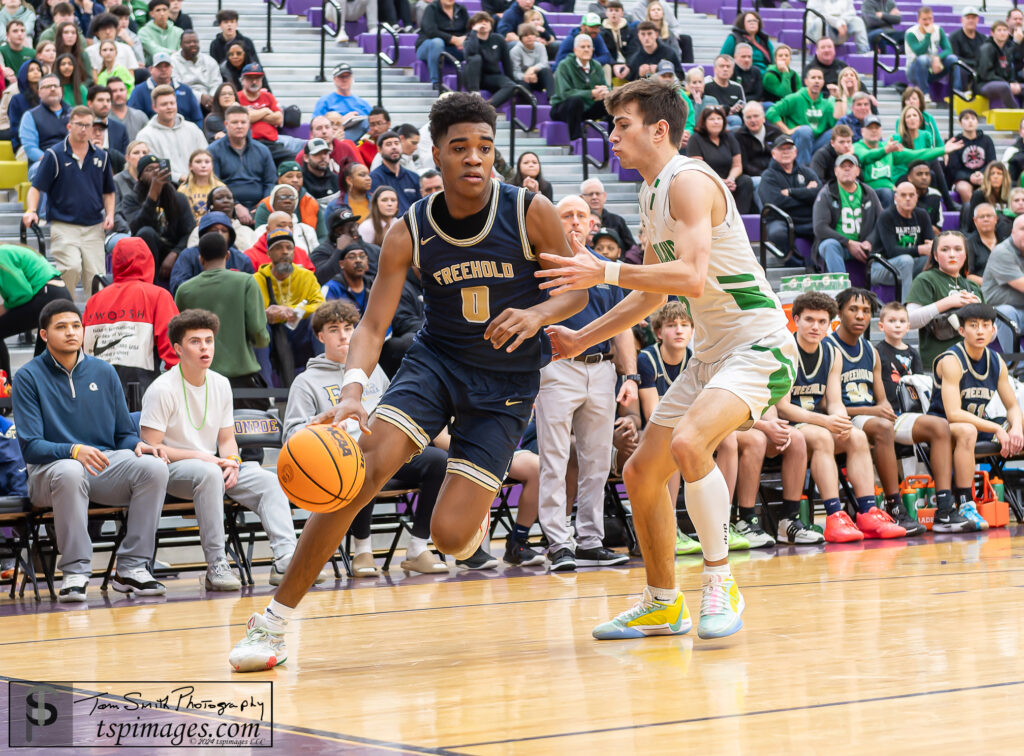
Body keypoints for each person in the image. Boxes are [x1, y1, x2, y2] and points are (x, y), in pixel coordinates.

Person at [228, 92, 587, 671]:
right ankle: (272, 623)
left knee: (447, 536)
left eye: (485, 148)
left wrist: (539, 314)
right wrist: (350, 392)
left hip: (506, 386)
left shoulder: (529, 209)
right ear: (437, 158)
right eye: (460, 148)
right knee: (359, 474)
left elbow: (577, 288)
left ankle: (462, 533)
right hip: (436, 363)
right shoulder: (408, 229)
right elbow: (372, 325)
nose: (475, 158)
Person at [537, 78, 799, 641]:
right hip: (711, 354)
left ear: (659, 129)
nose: (611, 136)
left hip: (759, 344)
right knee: (641, 471)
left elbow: (690, 277)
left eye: (621, 124)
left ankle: (721, 578)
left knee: (688, 444)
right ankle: (662, 601)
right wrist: (583, 340)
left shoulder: (689, 182)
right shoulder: (651, 193)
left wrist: (603, 270)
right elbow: (654, 296)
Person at [139, 307, 308, 591]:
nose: (205, 347)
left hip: (214, 467)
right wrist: (204, 458)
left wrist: (231, 460)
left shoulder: (220, 383)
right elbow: (151, 447)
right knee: (208, 473)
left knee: (268, 480)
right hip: (172, 471)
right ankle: (217, 564)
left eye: (209, 340)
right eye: (195, 341)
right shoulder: (161, 389)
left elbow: (227, 438)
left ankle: (285, 559)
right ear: (178, 349)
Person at [13, 299, 169, 602]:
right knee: (70, 470)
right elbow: (31, 447)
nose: (71, 333)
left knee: (154, 467)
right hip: (50, 472)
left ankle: (132, 568)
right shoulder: (28, 377)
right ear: (44, 335)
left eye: (76, 326)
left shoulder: (104, 371)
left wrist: (139, 446)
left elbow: (123, 434)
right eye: (61, 327)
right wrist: (73, 450)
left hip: (103, 465)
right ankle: (75, 571)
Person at [286, 300, 450, 575]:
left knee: (439, 461)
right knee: (362, 462)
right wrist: (324, 430)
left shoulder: (373, 372)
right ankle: (362, 550)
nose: (343, 335)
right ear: (320, 336)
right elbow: (292, 433)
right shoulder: (305, 381)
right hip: (339, 459)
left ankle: (418, 548)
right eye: (334, 329)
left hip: (383, 449)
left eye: (349, 328)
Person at [537, 195, 635, 572]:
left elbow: (622, 324)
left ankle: (591, 541)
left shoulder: (607, 268)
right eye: (567, 215)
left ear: (592, 224)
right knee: (555, 458)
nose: (576, 221)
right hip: (557, 367)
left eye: (582, 215)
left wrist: (629, 374)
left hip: (603, 368)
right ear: (554, 221)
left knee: (597, 460)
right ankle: (558, 542)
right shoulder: (541, 265)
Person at [831, 287, 955, 535]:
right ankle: (894, 507)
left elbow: (881, 399)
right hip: (846, 418)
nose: (860, 316)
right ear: (839, 312)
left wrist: (885, 408)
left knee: (939, 425)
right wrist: (875, 409)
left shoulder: (870, 351)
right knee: (882, 426)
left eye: (865, 311)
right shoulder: (828, 347)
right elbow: (826, 405)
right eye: (853, 309)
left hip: (874, 414)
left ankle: (944, 508)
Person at [775, 292, 878, 543]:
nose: (815, 326)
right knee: (822, 436)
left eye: (822, 322)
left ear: (830, 324)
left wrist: (841, 420)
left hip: (813, 422)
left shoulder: (832, 354)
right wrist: (826, 422)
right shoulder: (784, 351)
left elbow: (834, 402)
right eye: (809, 320)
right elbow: (783, 407)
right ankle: (834, 516)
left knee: (856, 436)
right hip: (785, 426)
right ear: (795, 320)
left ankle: (869, 512)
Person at [929, 302, 1024, 531]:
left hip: (977, 423)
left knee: (1017, 425)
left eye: (985, 325)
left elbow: (1012, 405)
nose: (980, 331)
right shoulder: (951, 360)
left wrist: (1016, 429)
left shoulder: (996, 361)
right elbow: (953, 414)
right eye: (973, 325)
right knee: (967, 430)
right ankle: (965, 503)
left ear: (993, 331)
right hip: (943, 426)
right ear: (962, 331)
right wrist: (996, 429)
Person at [23, 105, 114, 293]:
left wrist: (110, 214)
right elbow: (36, 188)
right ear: (69, 126)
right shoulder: (54, 154)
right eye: (79, 124)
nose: (83, 129)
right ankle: (64, 312)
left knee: (96, 278)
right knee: (70, 268)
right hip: (64, 225)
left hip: (94, 226)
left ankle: (92, 321)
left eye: (88, 125)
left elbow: (109, 192)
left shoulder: (102, 156)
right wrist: (32, 211)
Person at [174, 232, 269, 403]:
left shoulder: (184, 290)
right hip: (242, 380)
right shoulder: (247, 282)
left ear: (200, 259)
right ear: (228, 255)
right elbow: (259, 332)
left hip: (200, 380)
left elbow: (177, 336)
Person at [82, 236, 178, 400]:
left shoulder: (94, 300)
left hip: (95, 391)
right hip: (141, 394)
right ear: (149, 261)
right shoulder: (158, 295)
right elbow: (174, 348)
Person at [0, 244, 71, 379]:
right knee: (42, 358)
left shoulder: (1, 256)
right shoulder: (7, 250)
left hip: (47, 295)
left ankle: (4, 387)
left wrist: (4, 308)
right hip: (57, 293)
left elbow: (22, 293)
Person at [121, 154, 195, 281]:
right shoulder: (131, 199)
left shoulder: (179, 198)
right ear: (140, 177)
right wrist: (152, 195)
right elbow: (136, 229)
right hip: (145, 253)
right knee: (146, 232)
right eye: (149, 170)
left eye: (158, 168)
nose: (156, 172)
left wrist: (174, 253)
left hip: (174, 251)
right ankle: (150, 286)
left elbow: (189, 231)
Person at [812, 152, 883, 275]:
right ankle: (842, 289)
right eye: (842, 167)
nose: (847, 169)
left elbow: (882, 222)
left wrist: (870, 241)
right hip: (840, 246)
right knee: (829, 245)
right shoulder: (826, 194)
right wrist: (848, 242)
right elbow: (820, 228)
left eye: (851, 166)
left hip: (864, 246)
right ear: (835, 171)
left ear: (858, 171)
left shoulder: (869, 192)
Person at [758, 135, 820, 260]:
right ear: (774, 153)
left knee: (825, 227)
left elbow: (818, 194)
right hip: (780, 219)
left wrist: (792, 192)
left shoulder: (807, 172)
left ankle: (813, 265)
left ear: (795, 152)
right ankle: (794, 263)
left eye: (789, 148)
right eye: (781, 149)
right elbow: (775, 202)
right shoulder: (768, 176)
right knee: (777, 233)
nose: (786, 152)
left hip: (806, 219)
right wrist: (806, 194)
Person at [685, 105, 755, 214]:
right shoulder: (695, 139)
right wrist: (721, 182)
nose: (716, 122)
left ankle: (740, 217)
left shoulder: (729, 137)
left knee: (745, 181)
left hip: (729, 181)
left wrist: (731, 179)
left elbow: (737, 165)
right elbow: (698, 169)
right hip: (708, 181)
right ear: (704, 122)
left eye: (719, 119)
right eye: (711, 119)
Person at [870, 181, 934, 300]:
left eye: (911, 195)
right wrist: (920, 249)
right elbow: (892, 251)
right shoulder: (886, 216)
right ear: (896, 198)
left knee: (935, 258)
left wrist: (932, 248)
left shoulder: (922, 215)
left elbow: (930, 243)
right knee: (906, 260)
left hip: (910, 265)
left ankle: (933, 302)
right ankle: (907, 307)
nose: (908, 199)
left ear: (917, 197)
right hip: (882, 267)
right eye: (903, 195)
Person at [209, 104, 275, 217]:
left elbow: (270, 182)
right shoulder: (214, 150)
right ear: (226, 125)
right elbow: (215, 183)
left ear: (249, 124)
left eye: (243, 122)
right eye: (234, 122)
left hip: (260, 207)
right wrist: (235, 205)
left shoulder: (262, 150)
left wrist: (263, 205)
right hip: (226, 208)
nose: (239, 126)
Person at [766, 68, 839, 166]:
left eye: (819, 78)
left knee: (837, 132)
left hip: (817, 143)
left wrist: (838, 98)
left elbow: (836, 123)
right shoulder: (796, 98)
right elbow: (771, 112)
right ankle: (802, 170)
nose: (816, 81)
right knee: (805, 130)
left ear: (823, 82)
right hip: (798, 141)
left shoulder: (826, 104)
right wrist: (786, 130)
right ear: (806, 81)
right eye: (813, 78)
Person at [134, 84, 207, 182]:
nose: (169, 107)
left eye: (172, 103)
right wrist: (179, 178)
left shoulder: (192, 129)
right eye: (164, 104)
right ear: (154, 107)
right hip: (166, 186)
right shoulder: (145, 135)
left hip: (198, 182)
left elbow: (206, 155)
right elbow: (151, 168)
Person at [551, 33, 610, 142]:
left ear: (593, 50)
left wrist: (605, 92)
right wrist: (591, 93)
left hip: (586, 108)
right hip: (562, 108)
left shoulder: (596, 65)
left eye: (589, 47)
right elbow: (564, 94)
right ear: (575, 50)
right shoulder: (564, 65)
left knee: (610, 102)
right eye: (583, 47)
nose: (586, 50)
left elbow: (606, 86)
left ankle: (613, 141)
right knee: (575, 101)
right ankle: (576, 141)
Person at [18, 72, 70, 179]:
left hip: (72, 160)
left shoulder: (74, 114)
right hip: (42, 161)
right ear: (39, 93)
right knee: (45, 169)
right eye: (47, 86)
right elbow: (30, 148)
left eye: (55, 86)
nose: (52, 89)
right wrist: (52, 160)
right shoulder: (30, 116)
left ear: (61, 90)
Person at [463, 11, 517, 110]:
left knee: (511, 85)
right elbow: (471, 53)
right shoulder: (469, 40)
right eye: (479, 22)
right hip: (473, 78)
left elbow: (506, 62)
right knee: (475, 58)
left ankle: (487, 108)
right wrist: (474, 33)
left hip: (492, 76)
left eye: (486, 21)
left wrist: (511, 80)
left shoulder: (498, 39)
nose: (484, 24)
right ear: (473, 25)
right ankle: (474, 94)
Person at [904, 6, 957, 97]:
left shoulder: (938, 30)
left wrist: (938, 58)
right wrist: (928, 34)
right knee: (923, 59)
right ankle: (924, 94)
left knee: (953, 59)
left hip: (933, 68)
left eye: (930, 19)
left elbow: (949, 49)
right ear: (918, 20)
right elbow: (919, 52)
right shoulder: (911, 33)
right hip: (914, 71)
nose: (928, 22)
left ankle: (956, 92)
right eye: (924, 19)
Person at [416, 0, 469, 90]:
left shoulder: (461, 9)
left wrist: (464, 39)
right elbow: (430, 31)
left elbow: (470, 28)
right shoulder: (431, 8)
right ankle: (436, 82)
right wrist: (452, 39)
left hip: (453, 48)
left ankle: (473, 85)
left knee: (473, 45)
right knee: (437, 42)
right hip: (428, 46)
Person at [947, 110, 996, 205]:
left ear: (977, 122)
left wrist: (982, 174)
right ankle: (970, 216)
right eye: (966, 118)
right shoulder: (956, 142)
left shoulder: (986, 140)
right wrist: (969, 177)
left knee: (989, 188)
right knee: (964, 189)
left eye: (973, 118)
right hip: (963, 179)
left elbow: (992, 163)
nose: (970, 121)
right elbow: (954, 169)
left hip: (983, 176)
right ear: (960, 123)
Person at [580, 177, 635, 255]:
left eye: (598, 194)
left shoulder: (617, 220)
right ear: (581, 198)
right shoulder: (578, 221)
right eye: (590, 194)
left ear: (604, 196)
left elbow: (632, 248)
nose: (594, 197)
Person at [369, 130, 420, 214]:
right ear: (379, 149)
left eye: (397, 143)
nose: (394, 147)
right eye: (388, 144)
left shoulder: (414, 177)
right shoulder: (374, 178)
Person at [171, 29, 220, 111]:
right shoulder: (173, 61)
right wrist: (200, 97)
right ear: (180, 45)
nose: (192, 44)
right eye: (188, 42)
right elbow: (177, 86)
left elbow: (216, 83)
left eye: (195, 41)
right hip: (185, 98)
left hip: (210, 100)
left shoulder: (209, 60)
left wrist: (211, 97)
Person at [735, 102, 781, 187]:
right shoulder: (738, 136)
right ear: (744, 120)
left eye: (756, 116)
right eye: (749, 117)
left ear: (763, 118)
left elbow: (781, 158)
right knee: (761, 183)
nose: (753, 120)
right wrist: (764, 175)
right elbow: (744, 164)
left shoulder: (775, 132)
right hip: (754, 176)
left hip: (775, 173)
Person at [178, 148, 224, 222]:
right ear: (190, 166)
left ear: (212, 165)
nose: (203, 165)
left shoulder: (220, 188)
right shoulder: (183, 189)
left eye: (207, 162)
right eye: (198, 162)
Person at [703, 55, 745, 130]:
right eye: (722, 66)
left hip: (734, 122)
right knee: (736, 120)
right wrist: (728, 110)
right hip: (712, 120)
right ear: (715, 69)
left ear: (732, 70)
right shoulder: (705, 85)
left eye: (728, 66)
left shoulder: (737, 87)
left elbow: (744, 111)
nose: (725, 69)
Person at [600, 2, 635, 83]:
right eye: (611, 10)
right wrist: (614, 64)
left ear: (622, 13)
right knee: (606, 67)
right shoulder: (602, 32)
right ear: (606, 13)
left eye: (616, 10)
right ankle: (607, 93)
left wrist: (628, 65)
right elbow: (605, 52)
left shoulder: (630, 30)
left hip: (628, 63)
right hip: (611, 64)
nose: (613, 13)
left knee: (642, 67)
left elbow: (634, 50)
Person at [907, 159, 944, 234]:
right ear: (909, 178)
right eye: (919, 174)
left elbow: (938, 228)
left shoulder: (935, 195)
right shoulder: (903, 194)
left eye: (927, 174)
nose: (924, 177)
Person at [967, 203, 1001, 282]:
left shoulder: (1005, 240)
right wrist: (990, 285)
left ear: (996, 219)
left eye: (989, 216)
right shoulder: (969, 243)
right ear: (975, 221)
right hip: (981, 289)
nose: (985, 219)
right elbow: (967, 275)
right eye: (981, 217)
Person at [107, 76, 148, 141]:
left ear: (127, 92)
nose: (119, 94)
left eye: (121, 90)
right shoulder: (104, 118)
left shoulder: (140, 116)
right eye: (114, 91)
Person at [950, 7, 985, 76]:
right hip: (962, 69)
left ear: (977, 20)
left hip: (979, 69)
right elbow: (955, 58)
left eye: (973, 18)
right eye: (968, 18)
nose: (971, 20)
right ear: (962, 20)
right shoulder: (954, 37)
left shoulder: (983, 38)